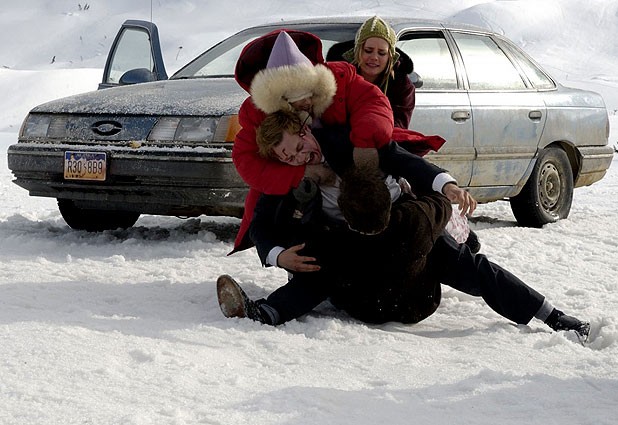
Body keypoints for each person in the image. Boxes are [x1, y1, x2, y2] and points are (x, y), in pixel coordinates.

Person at [217, 112, 591, 340]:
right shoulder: (287, 175)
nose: (300, 157)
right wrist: (279, 256)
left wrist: (448, 186)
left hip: (401, 222)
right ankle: (265, 312)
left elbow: (405, 160)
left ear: (305, 129)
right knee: (318, 265)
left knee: (466, 265)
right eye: (289, 157)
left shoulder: (347, 140)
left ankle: (551, 315)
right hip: (346, 241)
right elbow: (261, 223)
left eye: (299, 146)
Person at [231, 29, 472, 252]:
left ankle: (455, 243)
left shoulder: (340, 83)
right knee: (296, 224)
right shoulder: (260, 116)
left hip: (357, 158)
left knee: (409, 210)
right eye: (295, 101)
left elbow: (373, 103)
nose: (305, 103)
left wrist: (364, 142)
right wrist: (299, 173)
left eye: (308, 95)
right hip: (310, 186)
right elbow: (245, 160)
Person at [332, 16, 480, 251]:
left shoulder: (401, 85)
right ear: (357, 50)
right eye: (368, 50)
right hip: (341, 148)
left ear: (390, 55)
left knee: (413, 194)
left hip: (387, 148)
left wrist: (369, 132)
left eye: (381, 52)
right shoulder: (337, 78)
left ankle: (453, 239)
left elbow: (397, 128)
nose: (374, 57)